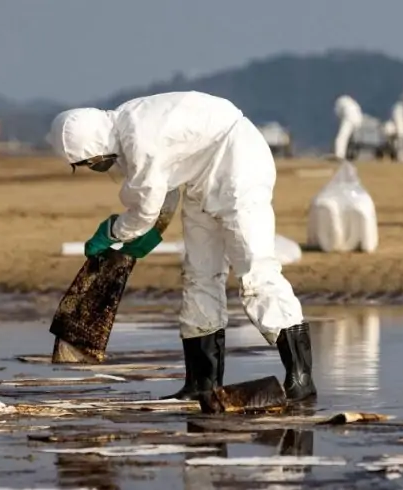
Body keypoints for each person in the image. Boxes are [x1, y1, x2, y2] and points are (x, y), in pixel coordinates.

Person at [45, 91, 317, 412]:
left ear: (92, 149)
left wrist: (113, 232)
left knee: (256, 272)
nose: (93, 167)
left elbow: (146, 203)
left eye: (87, 163)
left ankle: (301, 378)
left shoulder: (137, 136)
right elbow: (165, 188)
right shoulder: (127, 128)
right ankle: (202, 383)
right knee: (200, 276)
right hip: (201, 178)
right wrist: (145, 235)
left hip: (238, 167)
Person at [333, 95, 363, 161]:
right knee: (352, 140)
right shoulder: (352, 103)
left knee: (341, 138)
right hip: (358, 120)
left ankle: (339, 155)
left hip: (349, 119)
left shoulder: (340, 102)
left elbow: (339, 114)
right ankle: (350, 154)